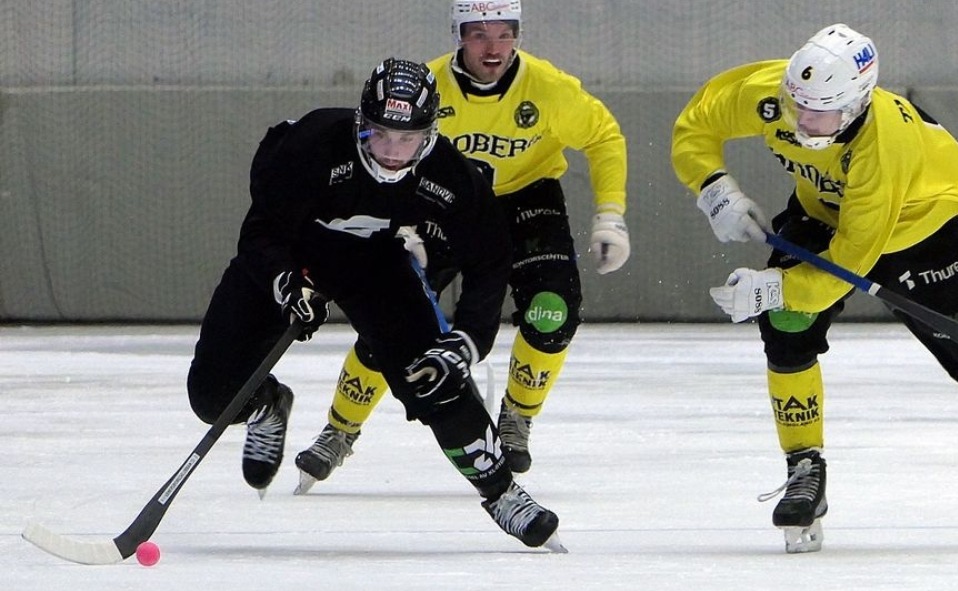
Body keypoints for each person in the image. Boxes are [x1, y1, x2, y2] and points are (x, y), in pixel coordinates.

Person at [672, 23, 958, 553]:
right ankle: (804, 468)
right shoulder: (775, 95)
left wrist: (772, 287)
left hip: (918, 229)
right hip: (824, 212)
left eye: (817, 111)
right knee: (786, 326)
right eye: (796, 104)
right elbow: (696, 124)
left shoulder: (882, 148)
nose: (800, 121)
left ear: (855, 105)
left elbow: (841, 269)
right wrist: (714, 189)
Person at [186, 57, 563, 551]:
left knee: (435, 373)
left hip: (369, 263)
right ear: (362, 123)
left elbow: (490, 260)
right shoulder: (314, 142)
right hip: (291, 255)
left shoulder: (448, 173)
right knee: (210, 396)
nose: (392, 151)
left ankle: (502, 493)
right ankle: (266, 406)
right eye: (381, 134)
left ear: (429, 133)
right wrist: (285, 284)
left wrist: (466, 342)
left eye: (407, 138)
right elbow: (262, 232)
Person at [292, 0, 629, 489]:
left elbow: (603, 137)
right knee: (391, 317)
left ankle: (517, 417)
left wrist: (611, 215)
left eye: (503, 34)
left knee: (553, 308)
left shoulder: (550, 88)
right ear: (458, 36)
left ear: (518, 34)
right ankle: (340, 429)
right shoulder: (424, 88)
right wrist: (393, 224)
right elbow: (378, 151)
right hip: (446, 205)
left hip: (527, 198)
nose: (492, 48)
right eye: (478, 34)